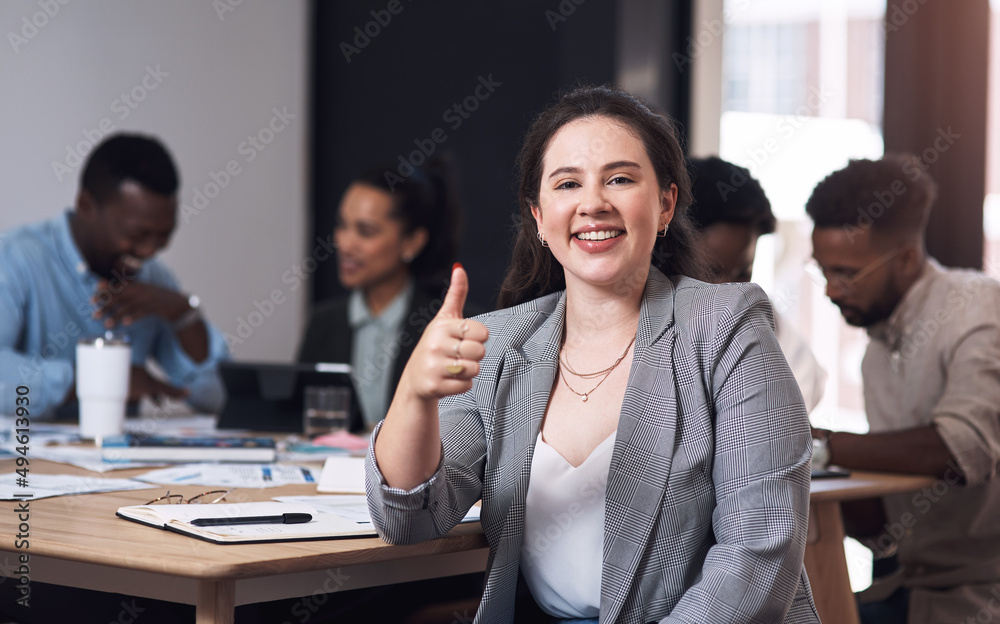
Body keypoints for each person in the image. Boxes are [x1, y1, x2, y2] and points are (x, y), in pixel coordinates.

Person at [366, 86, 819, 623]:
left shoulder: (727, 325)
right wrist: (414, 394)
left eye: (621, 178)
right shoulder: (502, 343)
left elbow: (756, 558)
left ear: (666, 203)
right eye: (567, 184)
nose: (593, 202)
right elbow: (411, 519)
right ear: (538, 215)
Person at [806, 154, 1000, 624]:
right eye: (823, 270)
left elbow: (964, 447)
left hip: (980, 594)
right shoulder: (876, 352)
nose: (831, 290)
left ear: (908, 258)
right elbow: (885, 530)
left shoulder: (977, 309)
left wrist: (823, 447)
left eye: (847, 273)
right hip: (907, 585)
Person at [0, 133, 228, 416]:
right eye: (137, 234)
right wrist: (99, 379)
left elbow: (221, 398)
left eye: (163, 236)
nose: (149, 251)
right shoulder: (15, 259)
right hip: (27, 458)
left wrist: (184, 314)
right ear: (86, 206)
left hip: (123, 458)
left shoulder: (153, 279)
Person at [297, 160, 470, 429]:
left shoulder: (445, 325)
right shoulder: (322, 323)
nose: (344, 243)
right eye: (342, 225)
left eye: (365, 231)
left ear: (412, 242)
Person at [687, 156, 827, 411]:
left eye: (742, 273)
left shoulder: (762, 322)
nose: (726, 292)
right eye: (709, 272)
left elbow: (802, 389)